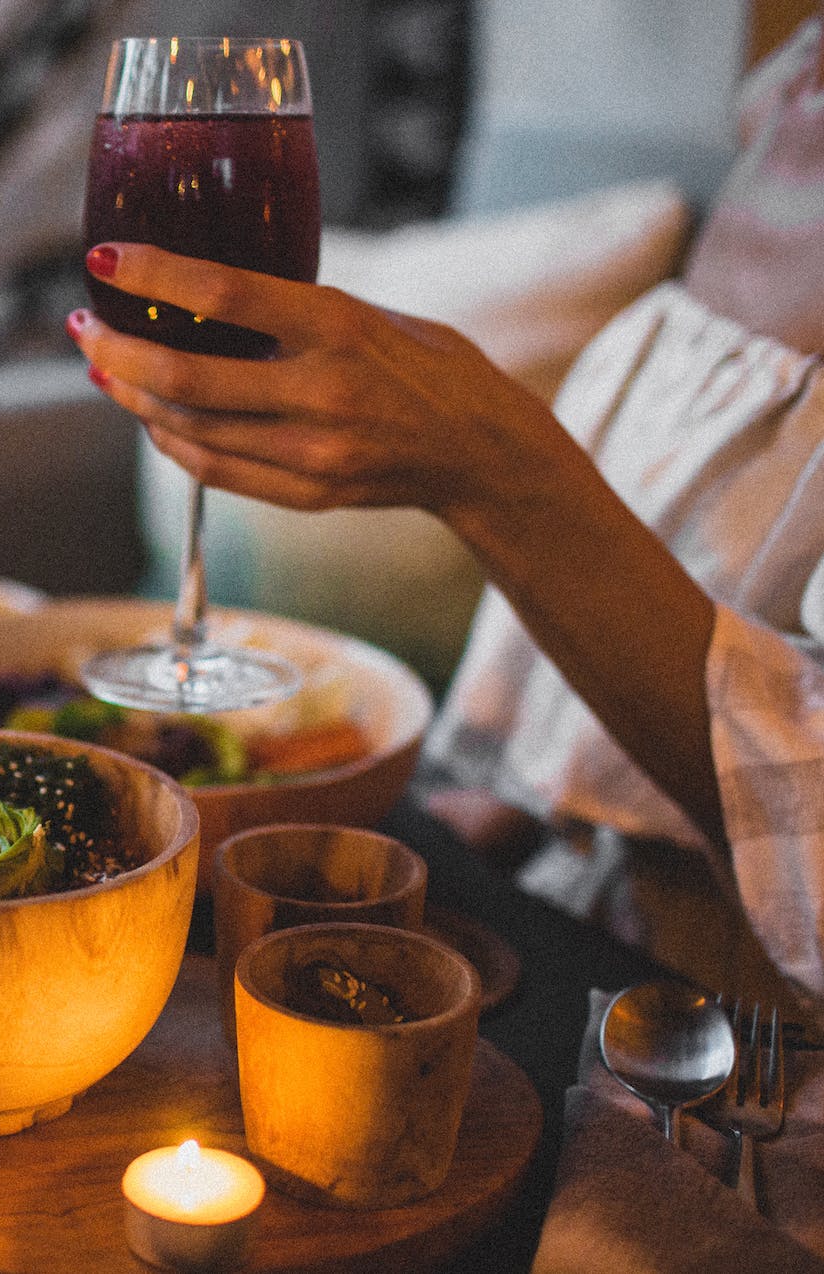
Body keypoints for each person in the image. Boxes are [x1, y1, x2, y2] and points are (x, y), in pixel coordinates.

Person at [68, 12, 824, 1023]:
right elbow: (716, 545)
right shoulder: (790, 76)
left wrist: (496, 470)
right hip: (550, 901)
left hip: (720, 1048)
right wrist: (511, 804)